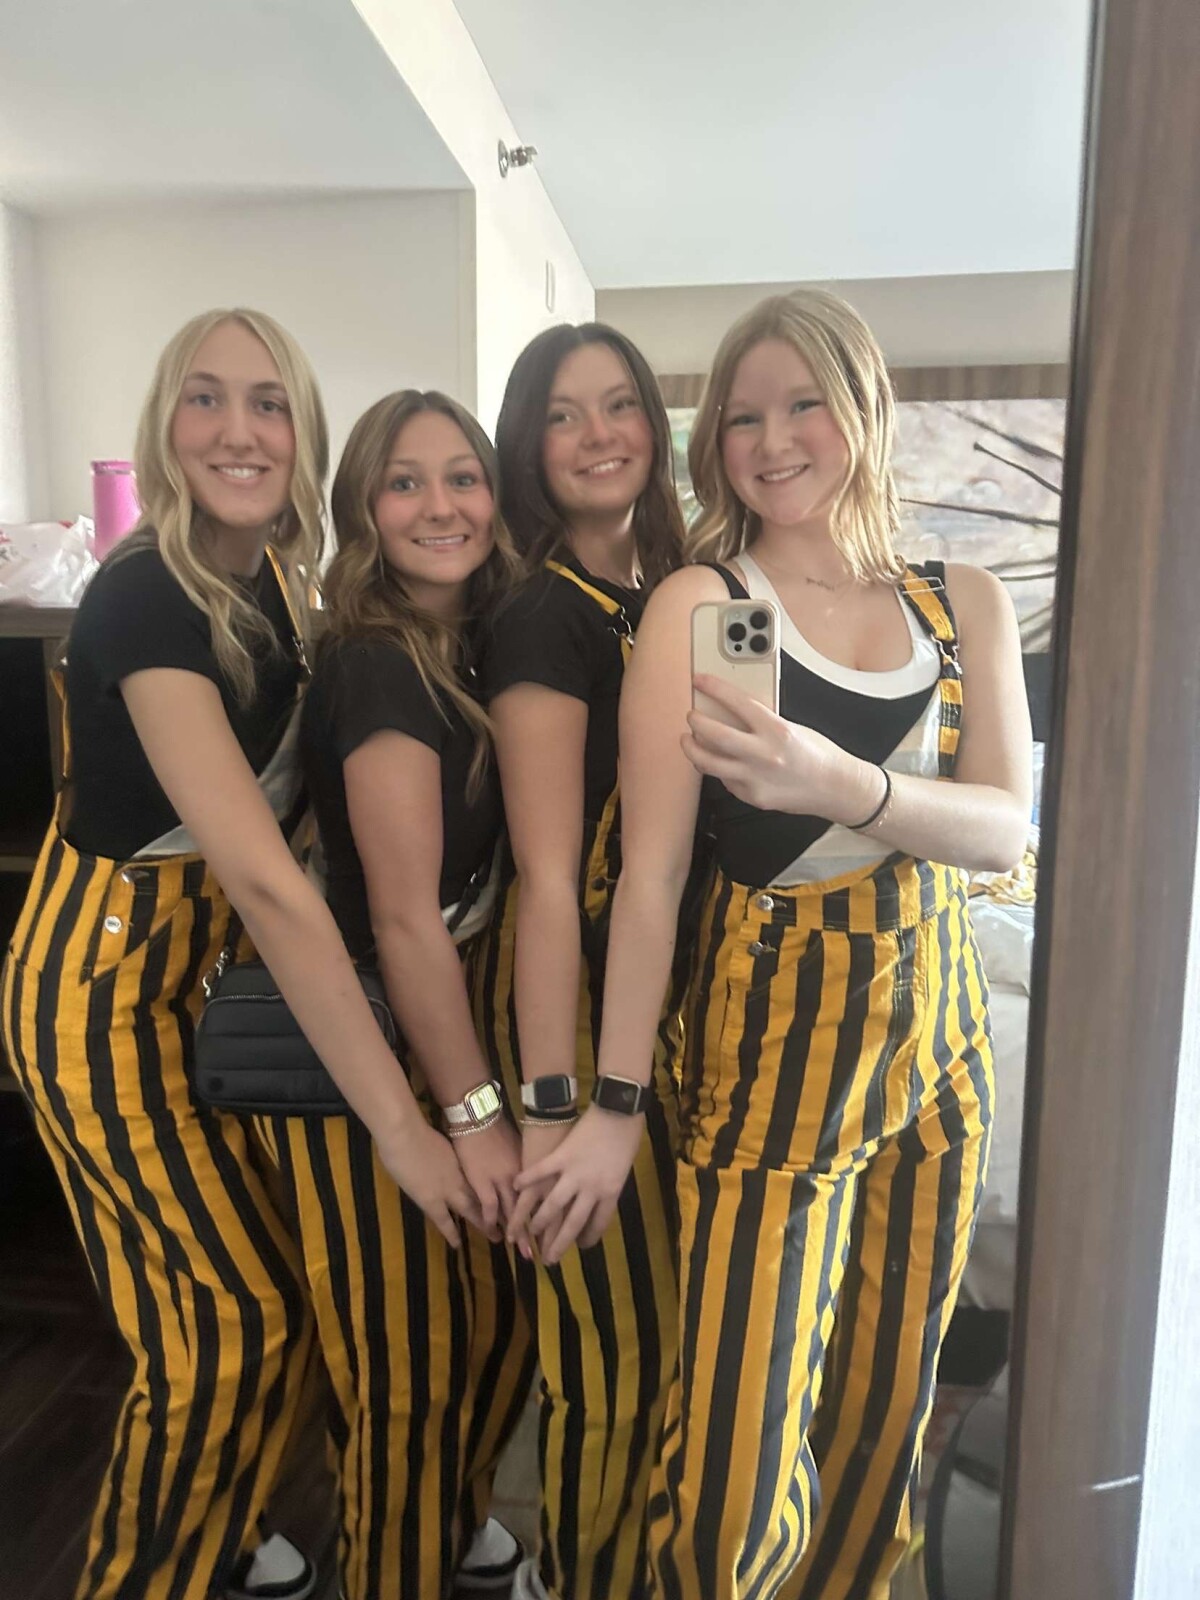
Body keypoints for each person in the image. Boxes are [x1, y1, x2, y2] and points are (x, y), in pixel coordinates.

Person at [518, 289, 1031, 1600]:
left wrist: (843, 783)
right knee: (736, 1458)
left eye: (805, 403)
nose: (773, 438)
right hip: (774, 1043)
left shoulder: (958, 600)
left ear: (864, 408)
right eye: (742, 417)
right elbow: (660, 872)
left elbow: (1002, 829)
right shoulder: (715, 603)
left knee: (884, 1415)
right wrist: (614, 1106)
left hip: (943, 1048)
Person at [0, 309, 480, 1600]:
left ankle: (215, 1527)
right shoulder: (144, 594)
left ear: (304, 433)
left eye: (268, 403)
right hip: (99, 996)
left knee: (251, 1307)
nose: (238, 430)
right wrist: (402, 1126)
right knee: (228, 1323)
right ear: (166, 426)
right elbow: (264, 880)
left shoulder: (272, 580)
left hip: (191, 986)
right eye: (205, 398)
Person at [259, 389, 532, 1598]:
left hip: (441, 1019)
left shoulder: (469, 642)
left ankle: (442, 1525)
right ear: (363, 507)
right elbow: (405, 919)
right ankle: (399, 1564)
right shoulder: (376, 660)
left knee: (475, 1327)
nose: (439, 504)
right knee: (410, 1359)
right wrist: (472, 1114)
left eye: (462, 476)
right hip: (377, 1037)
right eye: (404, 481)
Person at [472, 323, 689, 1600]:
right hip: (580, 1007)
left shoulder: (674, 591)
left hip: (663, 1004)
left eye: (619, 405)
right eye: (564, 414)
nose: (599, 434)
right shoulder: (544, 613)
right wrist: (557, 1109)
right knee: (607, 1351)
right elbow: (547, 879)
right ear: (529, 446)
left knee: (660, 1336)